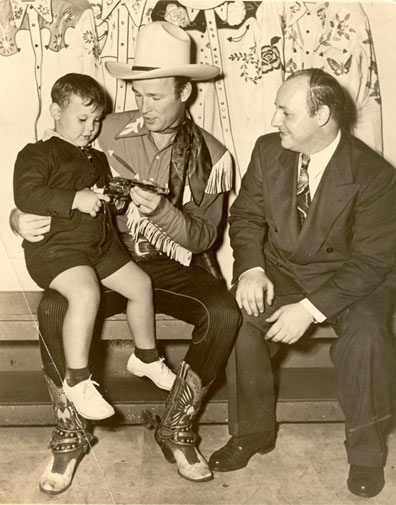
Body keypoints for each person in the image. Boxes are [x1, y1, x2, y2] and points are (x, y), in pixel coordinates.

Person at [10, 21, 240, 492]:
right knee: (56, 305)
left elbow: (200, 239)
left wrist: (165, 212)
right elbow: (44, 176)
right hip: (100, 256)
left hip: (172, 265)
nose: (144, 106)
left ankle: (176, 427)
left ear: (185, 92)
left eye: (156, 96)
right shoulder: (102, 132)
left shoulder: (213, 157)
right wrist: (18, 217)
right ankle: (70, 433)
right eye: (139, 94)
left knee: (223, 311)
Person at [209, 68, 396, 499]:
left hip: (353, 281)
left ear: (323, 116)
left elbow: (371, 262)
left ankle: (366, 456)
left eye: (286, 113)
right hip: (283, 271)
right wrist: (251, 269)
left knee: (367, 339)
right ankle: (253, 433)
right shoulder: (268, 151)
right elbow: (247, 217)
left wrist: (309, 309)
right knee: (241, 317)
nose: (275, 121)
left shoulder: (375, 175)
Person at [13, 73, 176, 421]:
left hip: (98, 248)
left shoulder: (96, 158)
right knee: (86, 293)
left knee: (141, 285)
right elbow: (26, 194)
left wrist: (118, 197)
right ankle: (77, 380)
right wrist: (76, 198)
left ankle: (145, 358)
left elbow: (100, 201)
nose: (91, 128)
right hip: (56, 251)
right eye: (82, 119)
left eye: (97, 120)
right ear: (56, 111)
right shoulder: (37, 153)